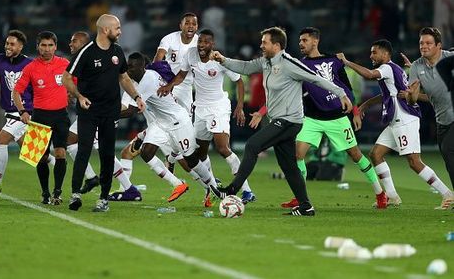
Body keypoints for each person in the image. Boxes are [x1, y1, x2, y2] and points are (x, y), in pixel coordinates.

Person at [209, 26, 352, 216]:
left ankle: (233, 189)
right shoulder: (266, 62)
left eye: (264, 43)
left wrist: (341, 93)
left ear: (276, 45)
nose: (261, 45)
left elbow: (316, 78)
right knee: (289, 166)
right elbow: (245, 67)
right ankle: (306, 206)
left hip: (290, 121)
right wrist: (223, 60)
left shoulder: (289, 63)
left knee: (252, 145)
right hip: (279, 120)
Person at [339, 39, 453, 209]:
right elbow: (388, 95)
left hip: (404, 119)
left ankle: (447, 194)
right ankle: (392, 197)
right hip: (396, 120)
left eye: (374, 52)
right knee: (376, 154)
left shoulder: (386, 68)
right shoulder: (394, 69)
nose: (371, 55)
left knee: (414, 161)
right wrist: (365, 105)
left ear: (385, 54)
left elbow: (369, 75)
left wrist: (347, 62)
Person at [280, 27, 386, 209]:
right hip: (312, 118)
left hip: (337, 117)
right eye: (299, 41)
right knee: (298, 155)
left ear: (315, 41)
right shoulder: (299, 65)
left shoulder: (334, 61)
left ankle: (380, 194)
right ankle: (300, 197)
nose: (301, 44)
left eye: (304, 40)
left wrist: (355, 113)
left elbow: (347, 88)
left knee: (355, 155)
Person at [158, 29, 256, 204]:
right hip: (200, 108)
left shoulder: (220, 60)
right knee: (200, 153)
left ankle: (247, 190)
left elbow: (239, 81)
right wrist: (169, 86)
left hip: (218, 107)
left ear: (213, 44)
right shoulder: (191, 54)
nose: (201, 45)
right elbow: (181, 75)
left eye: (206, 42)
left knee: (222, 148)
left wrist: (240, 106)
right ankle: (212, 187)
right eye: (200, 41)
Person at [62, 14, 146, 212]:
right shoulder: (86, 52)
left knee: (107, 155)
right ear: (106, 30)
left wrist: (137, 97)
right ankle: (75, 195)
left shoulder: (117, 51)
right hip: (89, 111)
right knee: (83, 151)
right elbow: (66, 78)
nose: (120, 31)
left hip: (110, 112)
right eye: (117, 28)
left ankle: (103, 199)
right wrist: (79, 96)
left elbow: (124, 77)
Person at [122, 52, 219, 202]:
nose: (129, 70)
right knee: (146, 153)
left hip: (177, 121)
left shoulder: (147, 80)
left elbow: (130, 111)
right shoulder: (140, 80)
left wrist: (104, 114)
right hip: (160, 123)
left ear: (142, 67)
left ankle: (213, 187)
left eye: (132, 67)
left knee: (190, 161)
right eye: (128, 67)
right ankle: (178, 184)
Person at [0, 30, 47, 196]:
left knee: (2, 140)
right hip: (10, 111)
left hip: (24, 111)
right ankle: (58, 161)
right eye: (7, 43)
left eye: (12, 44)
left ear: (21, 46)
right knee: (33, 153)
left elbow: (39, 85)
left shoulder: (30, 64)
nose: (8, 46)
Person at [12, 31, 70, 205]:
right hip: (40, 116)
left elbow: (76, 82)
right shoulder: (30, 67)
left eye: (50, 45)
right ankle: (45, 192)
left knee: (60, 154)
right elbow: (16, 92)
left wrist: (76, 94)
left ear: (56, 47)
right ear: (37, 47)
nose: (47, 49)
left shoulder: (65, 64)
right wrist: (22, 111)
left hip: (61, 115)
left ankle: (57, 192)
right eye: (43, 45)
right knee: (41, 157)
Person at [402, 27, 454, 191]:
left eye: (428, 43)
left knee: (449, 150)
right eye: (421, 43)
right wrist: (412, 94)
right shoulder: (416, 67)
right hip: (442, 121)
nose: (424, 46)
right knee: (448, 160)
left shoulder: (450, 59)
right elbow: (412, 101)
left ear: (439, 45)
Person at [153, 12, 199, 170]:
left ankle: (172, 157)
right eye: (187, 23)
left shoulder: (199, 43)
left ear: (197, 26)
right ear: (181, 25)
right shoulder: (169, 38)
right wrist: (159, 79)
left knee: (186, 125)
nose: (190, 26)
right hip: (166, 84)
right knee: (167, 122)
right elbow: (158, 58)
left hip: (186, 87)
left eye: (193, 23)